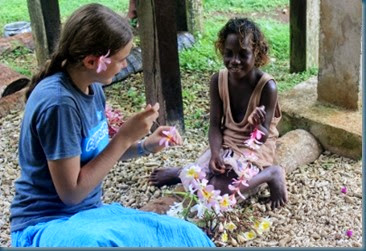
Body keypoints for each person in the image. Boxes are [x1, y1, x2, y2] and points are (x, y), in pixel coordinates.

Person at [10, 3, 214, 247]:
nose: (126, 65)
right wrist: (124, 137)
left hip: (89, 216)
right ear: (91, 61)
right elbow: (71, 193)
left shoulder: (92, 88)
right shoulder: (59, 105)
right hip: (46, 224)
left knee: (186, 236)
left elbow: (98, 153)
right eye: (121, 59)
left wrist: (145, 146)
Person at [150, 17, 288, 210]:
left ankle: (272, 173)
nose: (234, 61)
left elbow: (263, 137)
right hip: (227, 143)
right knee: (200, 183)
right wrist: (215, 154)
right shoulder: (218, 81)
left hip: (254, 148)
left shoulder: (267, 87)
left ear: (256, 52)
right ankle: (181, 171)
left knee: (222, 191)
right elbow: (215, 125)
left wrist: (257, 125)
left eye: (243, 54)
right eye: (229, 54)